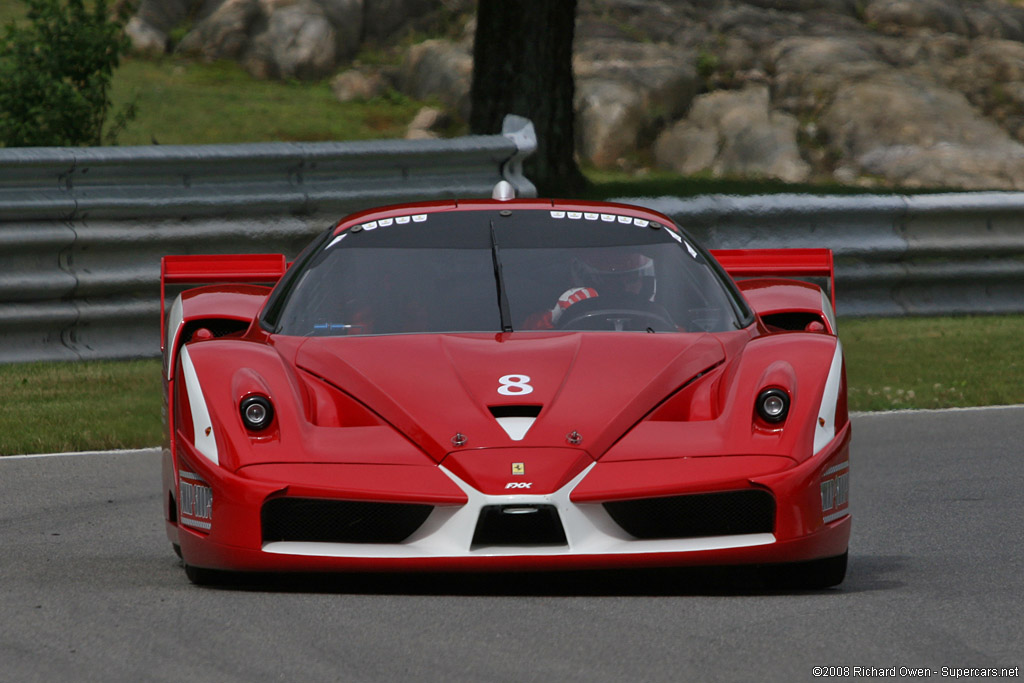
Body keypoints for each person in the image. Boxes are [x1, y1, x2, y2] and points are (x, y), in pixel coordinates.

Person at [523, 250, 656, 329]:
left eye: (632, 279)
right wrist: (555, 316)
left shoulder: (659, 318)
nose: (623, 288)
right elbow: (523, 340)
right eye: (611, 281)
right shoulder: (547, 317)